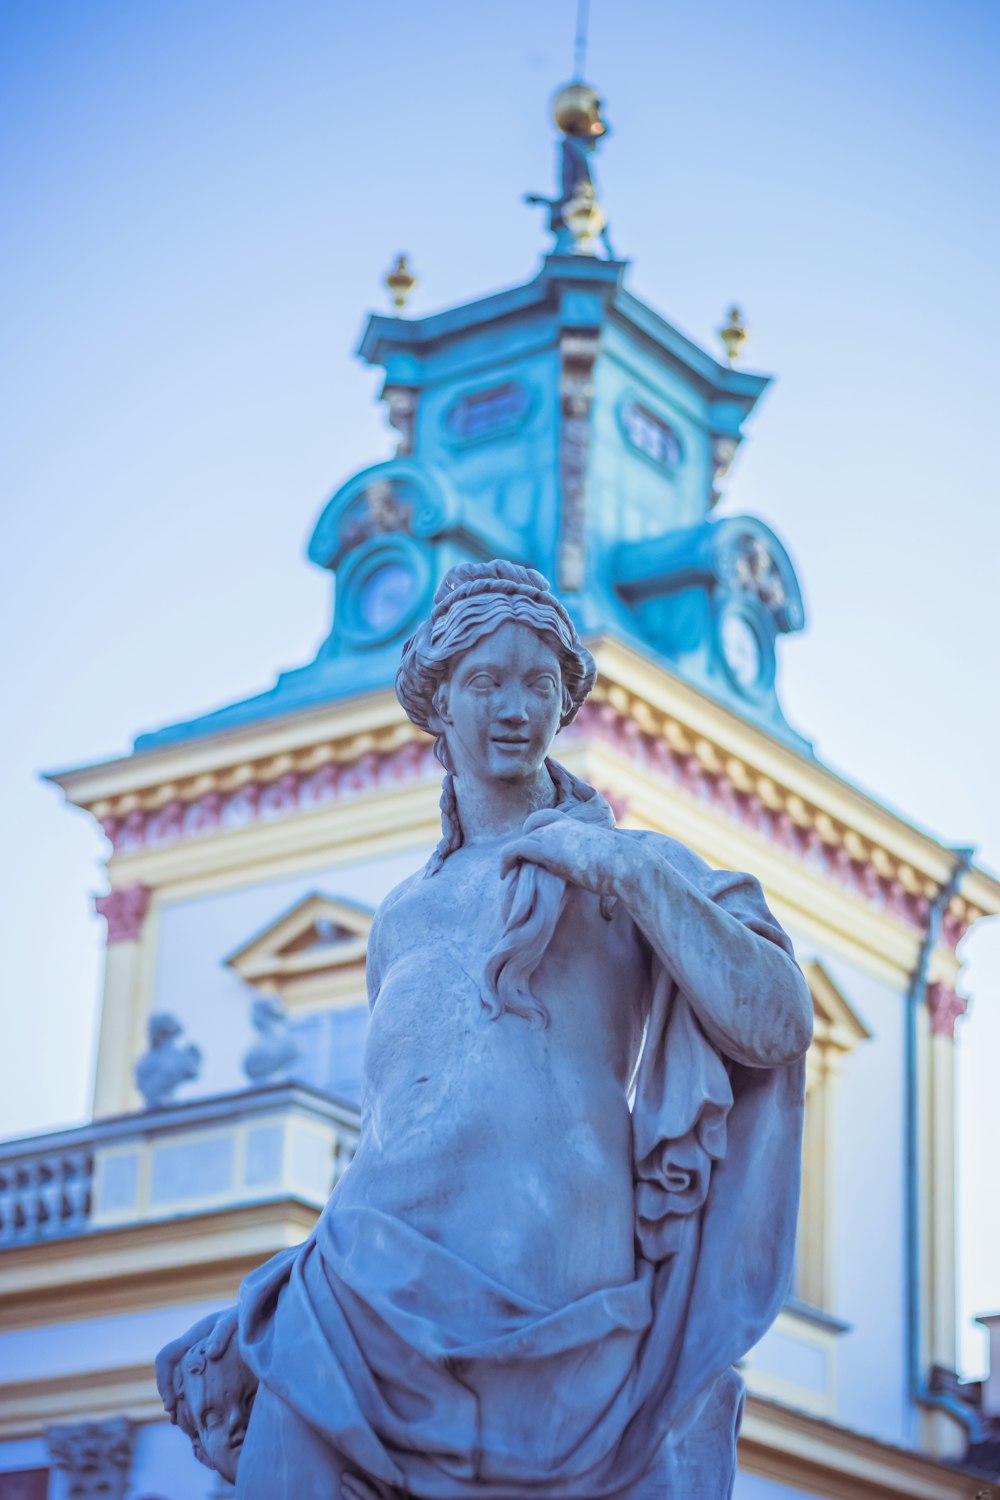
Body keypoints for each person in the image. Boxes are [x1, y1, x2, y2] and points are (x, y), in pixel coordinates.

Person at [160, 559, 812, 1499]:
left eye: (539, 684)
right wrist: (285, 1277)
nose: (515, 707)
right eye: (486, 682)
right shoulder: (401, 915)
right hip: (361, 1286)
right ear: (438, 703)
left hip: (558, 1299)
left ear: (563, 704)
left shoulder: (623, 869)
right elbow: (391, 1125)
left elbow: (779, 1020)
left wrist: (631, 876)